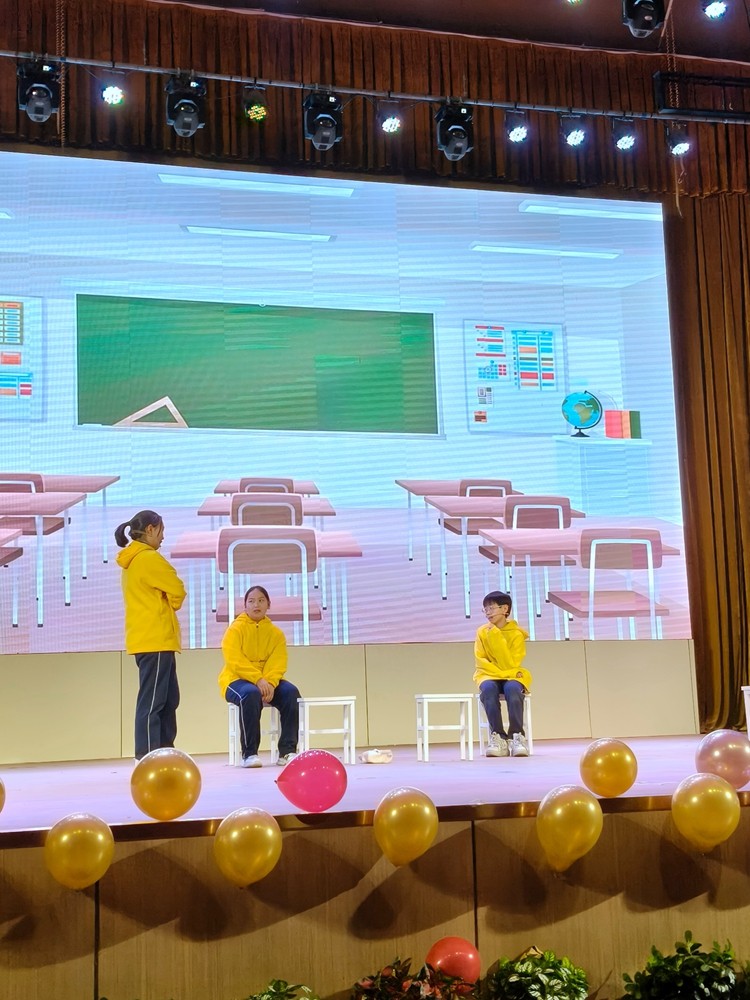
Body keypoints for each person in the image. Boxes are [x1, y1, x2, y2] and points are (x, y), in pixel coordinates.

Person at [115, 510, 186, 761]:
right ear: (150, 529)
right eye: (161, 531)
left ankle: (163, 752)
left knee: (167, 699)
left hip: (151, 639)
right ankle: (146, 755)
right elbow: (178, 590)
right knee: (154, 701)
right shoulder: (148, 558)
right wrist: (171, 600)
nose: (163, 537)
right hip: (155, 638)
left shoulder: (133, 559)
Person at [218, 585, 300, 768]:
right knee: (250, 693)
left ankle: (287, 752)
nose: (256, 605)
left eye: (261, 600)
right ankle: (249, 754)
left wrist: (269, 682)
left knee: (291, 693)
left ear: (268, 604)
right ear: (245, 605)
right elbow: (234, 660)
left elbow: (278, 662)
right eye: (251, 601)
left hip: (266, 681)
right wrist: (258, 679)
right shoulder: (235, 630)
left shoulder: (276, 633)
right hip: (235, 680)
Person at [474, 590, 531, 758]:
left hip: (511, 674)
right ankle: (497, 737)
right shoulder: (482, 632)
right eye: (485, 609)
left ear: (505, 609)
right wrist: (496, 672)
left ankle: (516, 736)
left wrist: (496, 636)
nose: (488, 612)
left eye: (491, 608)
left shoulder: (516, 634)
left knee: (513, 689)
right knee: (488, 689)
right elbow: (480, 659)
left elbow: (511, 663)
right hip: (488, 674)